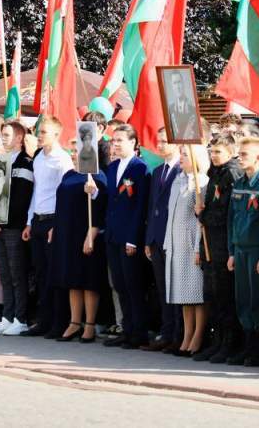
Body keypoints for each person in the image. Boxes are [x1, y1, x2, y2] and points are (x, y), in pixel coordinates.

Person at [50, 139, 108, 343]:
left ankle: (90, 324)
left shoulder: (96, 176)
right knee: (71, 279)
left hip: (86, 234)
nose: (74, 154)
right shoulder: (68, 175)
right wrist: (54, 228)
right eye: (72, 150)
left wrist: (91, 235)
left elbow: (100, 208)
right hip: (67, 233)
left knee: (88, 280)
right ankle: (74, 322)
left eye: (77, 151)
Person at [227, 136, 259, 367]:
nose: (239, 157)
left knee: (258, 301)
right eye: (239, 153)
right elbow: (231, 219)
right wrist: (230, 251)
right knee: (242, 300)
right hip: (239, 249)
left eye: (244, 154)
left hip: (257, 250)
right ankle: (248, 346)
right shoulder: (239, 183)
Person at [22, 116, 73, 338]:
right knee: (41, 273)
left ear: (56, 134)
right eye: (38, 131)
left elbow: (66, 196)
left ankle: (59, 322)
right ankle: (43, 320)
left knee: (55, 273)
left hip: (54, 220)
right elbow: (37, 191)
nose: (39, 135)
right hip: (38, 219)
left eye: (44, 132)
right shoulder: (38, 158)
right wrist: (28, 221)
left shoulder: (63, 160)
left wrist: (59, 224)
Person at [102, 124, 150, 349]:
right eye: (114, 140)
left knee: (133, 285)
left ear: (133, 143)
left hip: (129, 236)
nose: (116, 144)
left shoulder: (140, 168)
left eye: (120, 140)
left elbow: (140, 207)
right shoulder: (112, 168)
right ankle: (126, 328)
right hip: (112, 234)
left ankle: (138, 332)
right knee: (119, 284)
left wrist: (133, 238)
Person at [0, 120, 33, 336]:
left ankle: (20, 318)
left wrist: (0, 221)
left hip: (14, 226)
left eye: (7, 135)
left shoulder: (25, 163)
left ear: (19, 138)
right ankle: (7, 315)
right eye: (2, 134)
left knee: (17, 273)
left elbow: (21, 200)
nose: (3, 138)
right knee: (3, 273)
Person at [200, 134, 245, 363]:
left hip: (223, 243)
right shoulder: (214, 173)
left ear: (230, 152)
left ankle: (229, 343)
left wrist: (205, 213)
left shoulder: (232, 173)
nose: (213, 155)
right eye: (212, 151)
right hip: (210, 242)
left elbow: (228, 211)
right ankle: (217, 341)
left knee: (225, 297)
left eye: (218, 151)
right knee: (212, 296)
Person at [164, 144, 209, 356]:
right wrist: (167, 242)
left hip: (192, 245)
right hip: (176, 244)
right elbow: (170, 215)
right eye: (180, 153)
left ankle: (198, 335)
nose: (180, 157)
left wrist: (199, 247)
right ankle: (187, 334)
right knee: (183, 294)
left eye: (185, 154)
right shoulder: (178, 179)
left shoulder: (202, 182)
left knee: (196, 293)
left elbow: (201, 220)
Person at [144, 127, 182, 353]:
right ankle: (166, 332)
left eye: (164, 141)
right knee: (162, 288)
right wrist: (149, 239)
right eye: (158, 141)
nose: (160, 145)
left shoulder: (183, 169)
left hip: (174, 238)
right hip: (157, 238)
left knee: (176, 288)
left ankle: (178, 334)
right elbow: (152, 208)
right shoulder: (158, 171)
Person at [165, 70, 199, 142]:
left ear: (183, 84)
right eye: (175, 83)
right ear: (172, 86)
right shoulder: (169, 109)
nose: (178, 87)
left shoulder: (193, 109)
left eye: (179, 82)